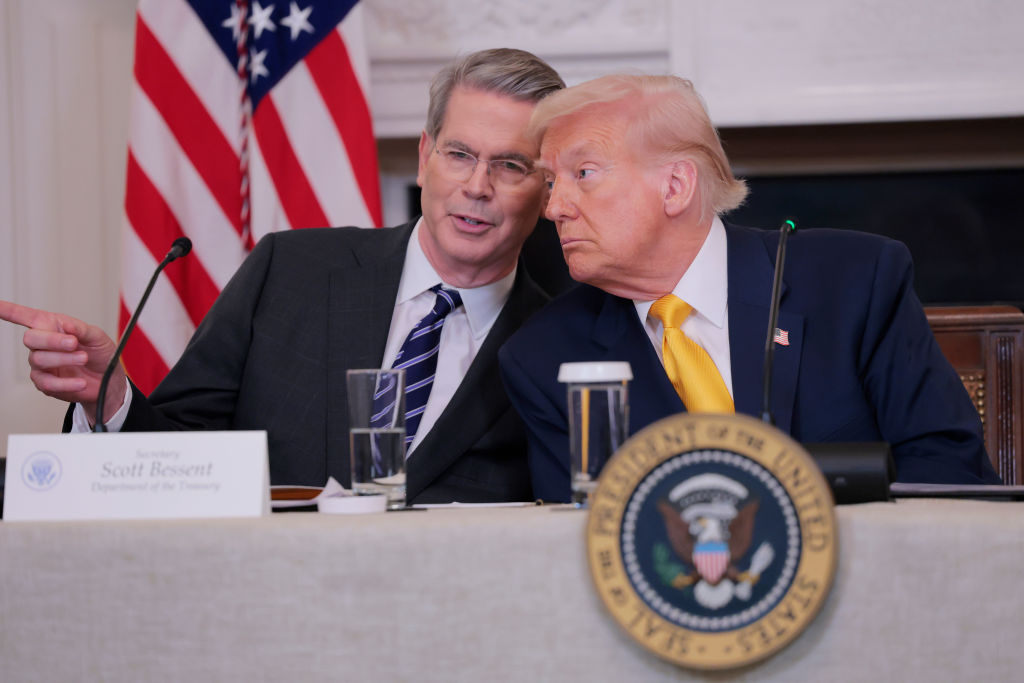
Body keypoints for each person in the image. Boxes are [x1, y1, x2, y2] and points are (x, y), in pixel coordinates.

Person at [0, 48, 566, 504]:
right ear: (425, 157)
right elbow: (180, 455)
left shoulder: (559, 343)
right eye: (459, 154)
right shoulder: (289, 271)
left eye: (510, 165)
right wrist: (112, 395)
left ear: (547, 191)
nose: (477, 186)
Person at [498, 74, 1001, 502]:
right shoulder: (543, 356)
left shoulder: (854, 281)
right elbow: (572, 540)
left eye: (583, 174)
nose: (553, 207)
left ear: (675, 186)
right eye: (549, 182)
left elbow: (948, 473)